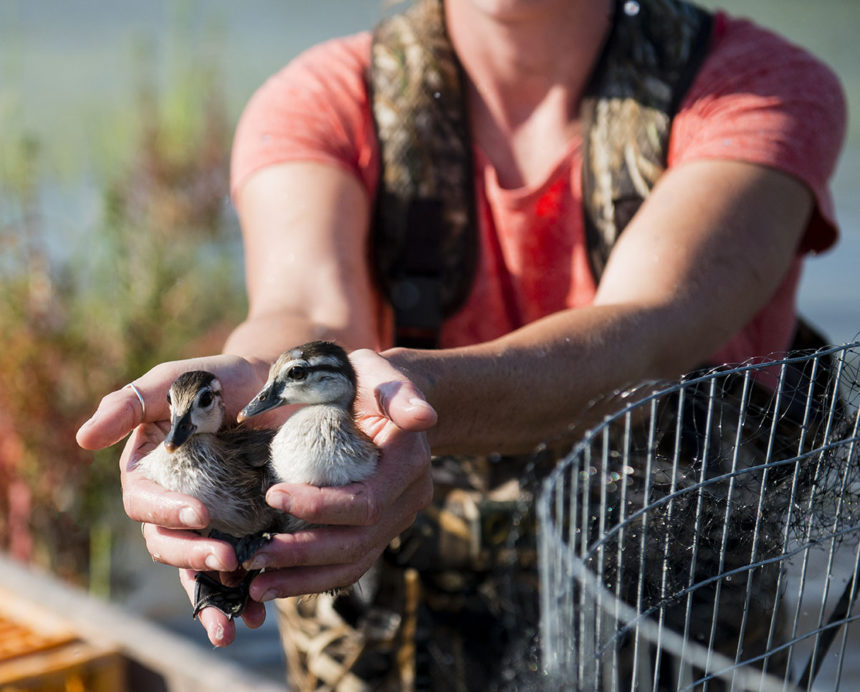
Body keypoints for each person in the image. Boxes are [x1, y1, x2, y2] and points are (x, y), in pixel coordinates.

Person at [77, 0, 846, 688]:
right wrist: (249, 384)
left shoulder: (761, 87)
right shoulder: (320, 100)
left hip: (666, 633)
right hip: (384, 637)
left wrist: (418, 400)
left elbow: (644, 337)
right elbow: (307, 306)